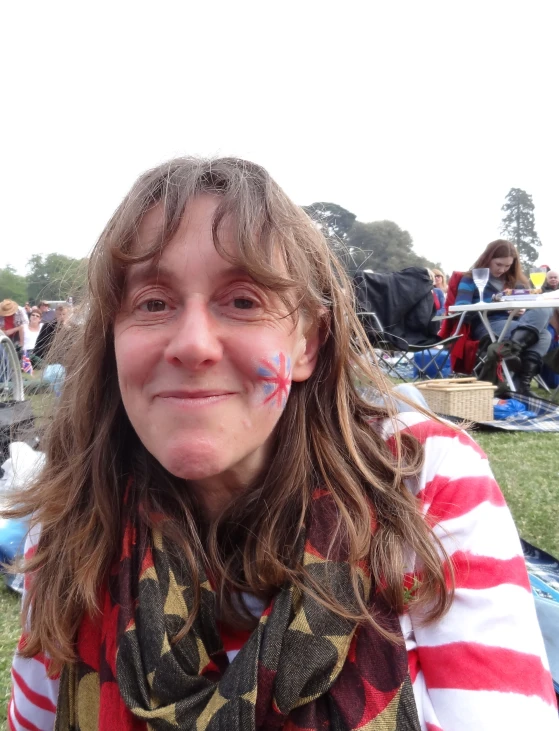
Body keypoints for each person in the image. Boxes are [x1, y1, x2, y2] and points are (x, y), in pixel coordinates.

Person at [4, 158, 557, 730]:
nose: (192, 345)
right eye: (153, 303)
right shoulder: (72, 526)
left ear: (308, 346)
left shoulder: (423, 484)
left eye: (243, 300)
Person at [455, 239, 552, 394]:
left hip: (515, 323)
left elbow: (526, 308)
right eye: (498, 264)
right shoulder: (470, 278)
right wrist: (494, 301)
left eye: (507, 266)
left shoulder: (516, 281)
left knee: (544, 308)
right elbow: (460, 310)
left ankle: (512, 352)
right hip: (487, 325)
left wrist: (522, 310)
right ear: (488, 259)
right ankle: (522, 385)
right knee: (544, 335)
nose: (502, 269)